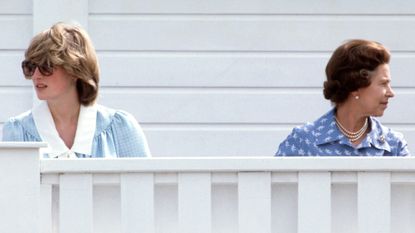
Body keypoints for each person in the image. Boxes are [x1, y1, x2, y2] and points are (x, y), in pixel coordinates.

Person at [2, 22, 151, 158]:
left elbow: (142, 185)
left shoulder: (120, 128)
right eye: (30, 67)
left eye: (46, 66)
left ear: (74, 70)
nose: (36, 75)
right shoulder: (17, 131)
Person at [276, 39, 409, 156]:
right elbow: (276, 184)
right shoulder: (304, 141)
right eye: (383, 83)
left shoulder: (393, 145)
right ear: (355, 86)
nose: (391, 93)